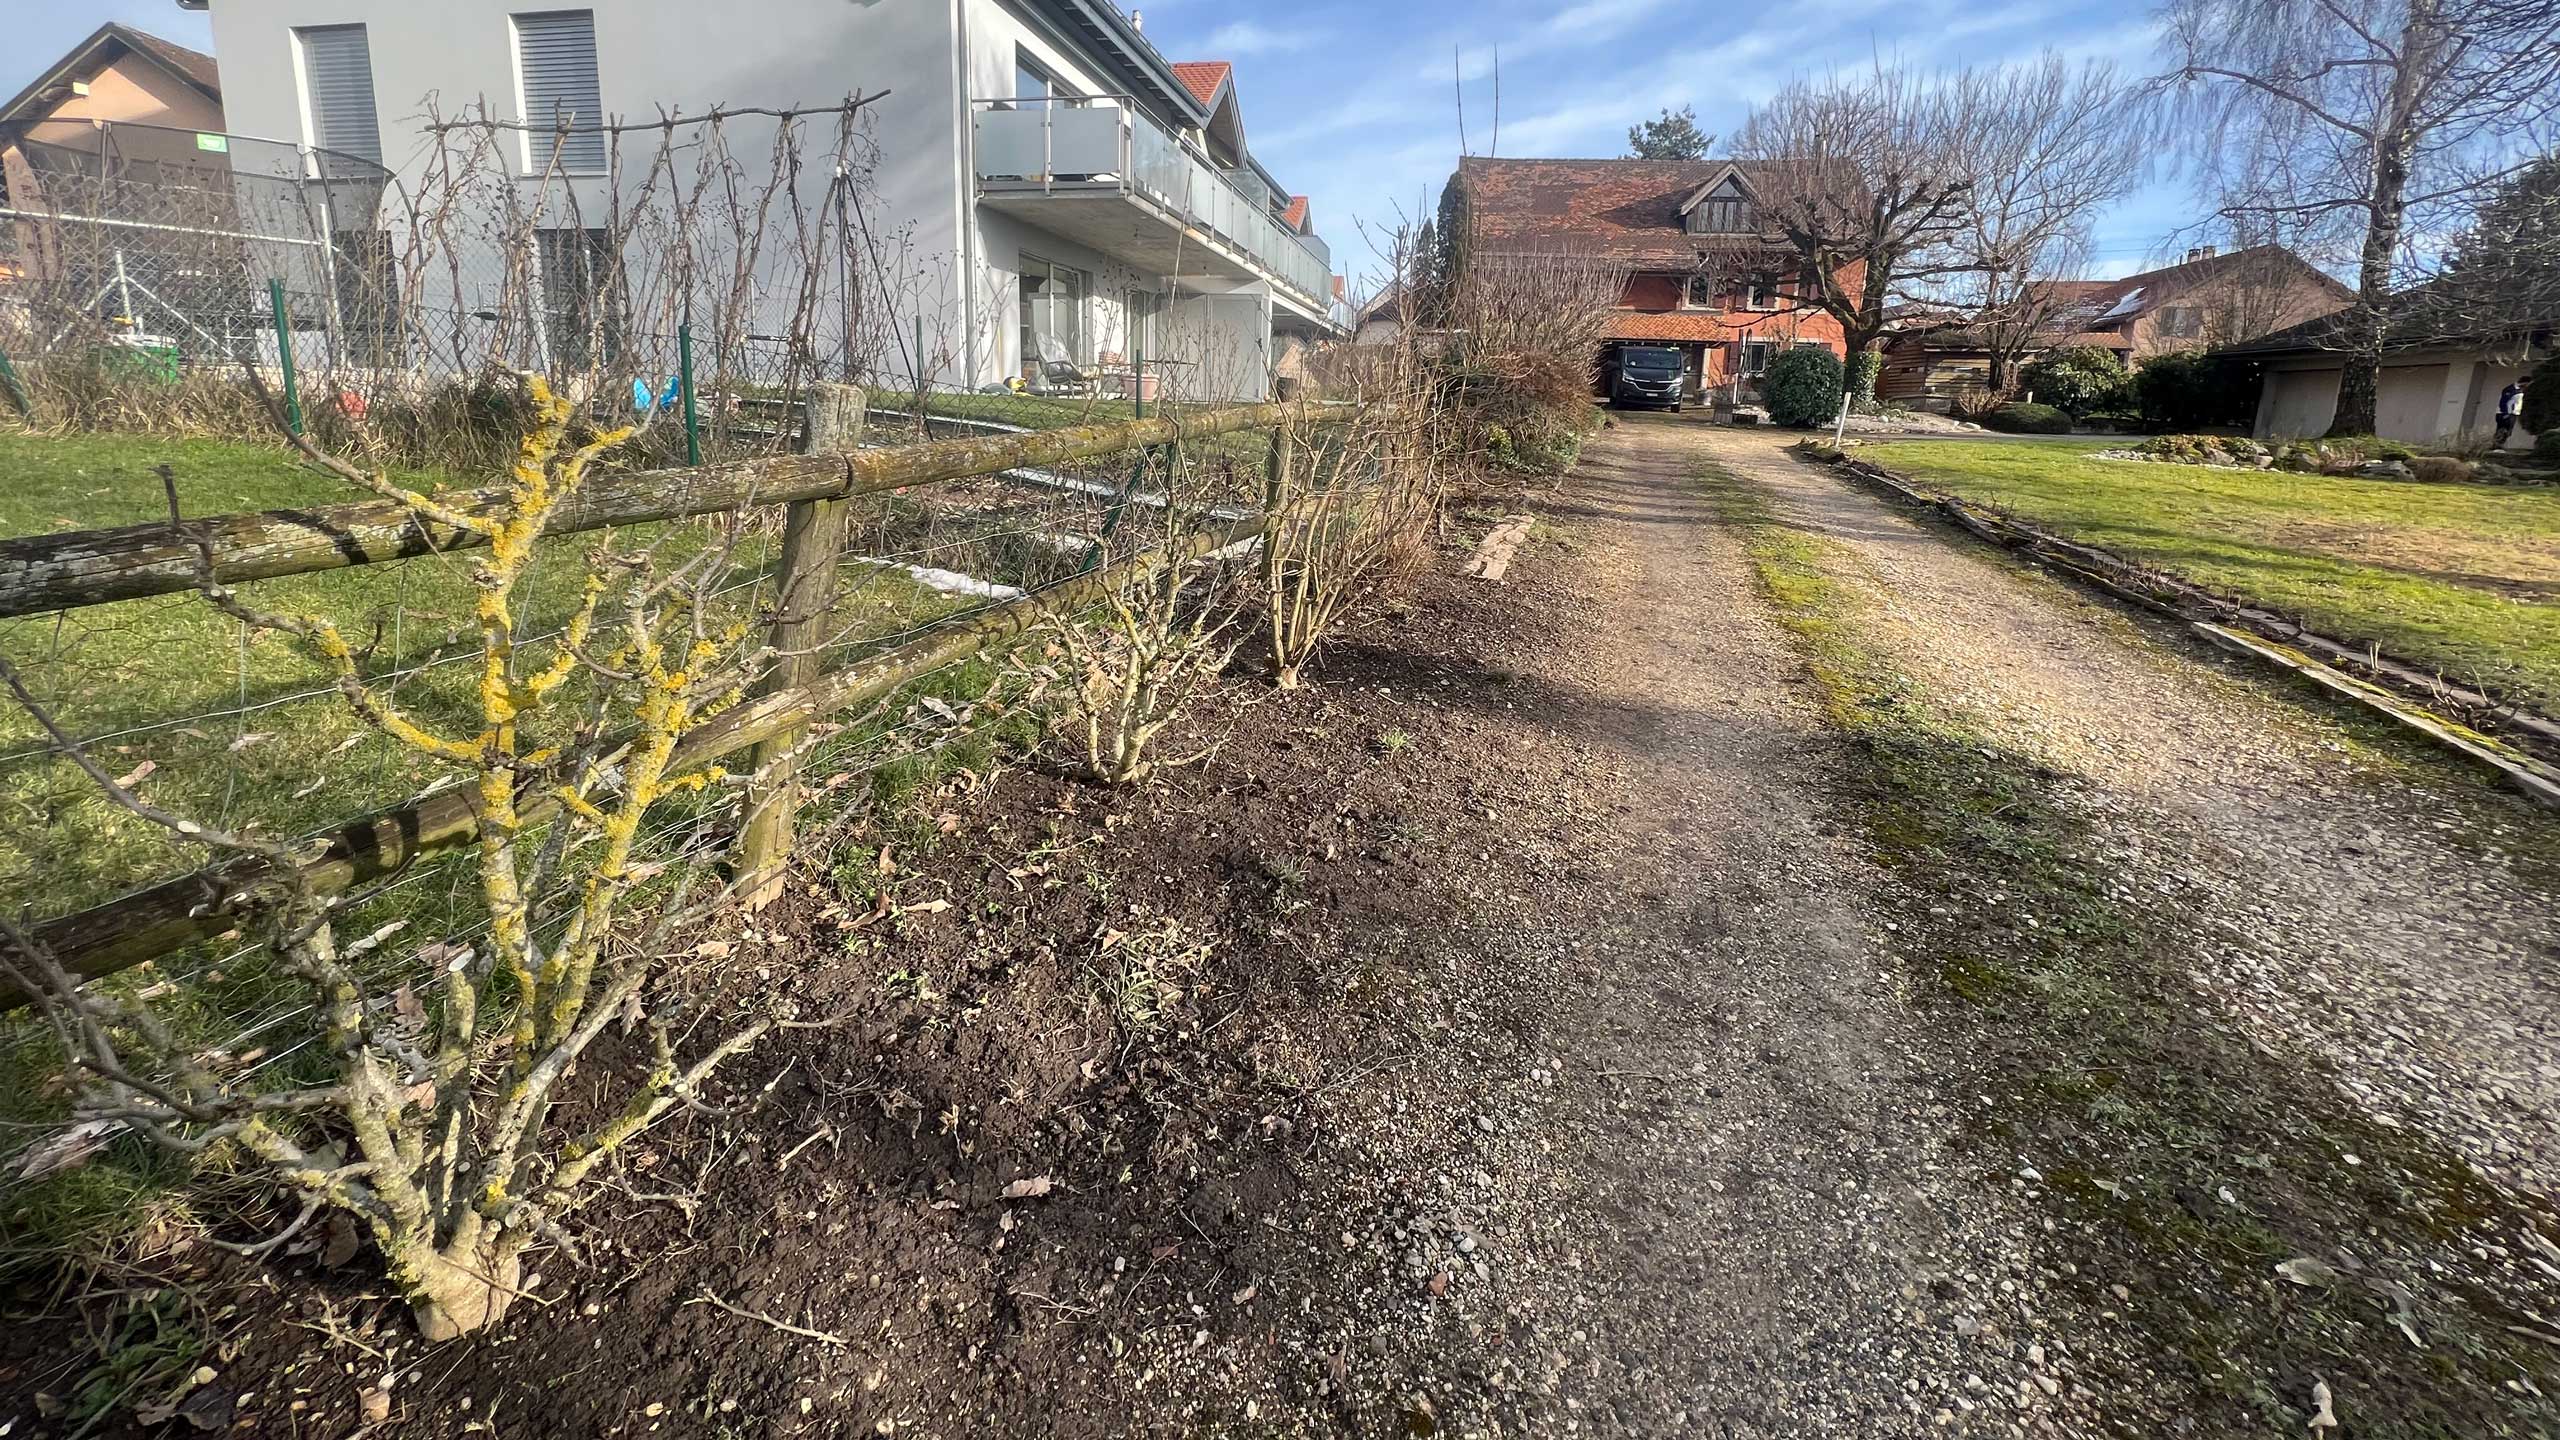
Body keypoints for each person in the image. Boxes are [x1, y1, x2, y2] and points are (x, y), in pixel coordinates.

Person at [2495, 375, 2529, 448]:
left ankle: (2499, 446)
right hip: (2505, 413)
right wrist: (2506, 413)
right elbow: (2503, 402)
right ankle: (2496, 446)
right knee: (2502, 430)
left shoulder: (2521, 390)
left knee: (2508, 431)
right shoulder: (2510, 389)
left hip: (2513, 414)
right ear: (2524, 383)